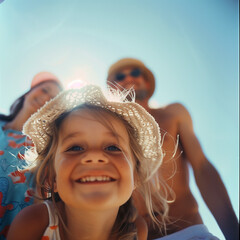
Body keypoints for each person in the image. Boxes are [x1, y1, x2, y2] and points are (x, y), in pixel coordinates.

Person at [7, 85, 170, 240]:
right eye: (75, 147)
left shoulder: (136, 230)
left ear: (136, 175)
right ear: (52, 177)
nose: (94, 156)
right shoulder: (34, 223)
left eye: (113, 147)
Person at [106, 58, 239, 240]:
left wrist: (234, 234)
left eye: (136, 73)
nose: (129, 77)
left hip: (190, 232)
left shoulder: (174, 114)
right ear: (112, 87)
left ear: (146, 81)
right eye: (120, 76)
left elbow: (202, 168)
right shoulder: (107, 131)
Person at [0, 72, 62, 239]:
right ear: (28, 92)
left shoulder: (47, 150)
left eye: (53, 99)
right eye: (44, 90)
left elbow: (44, 199)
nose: (46, 97)